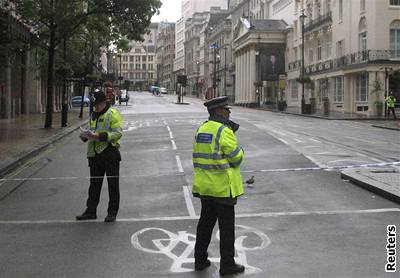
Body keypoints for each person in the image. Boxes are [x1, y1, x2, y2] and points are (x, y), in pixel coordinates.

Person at [192, 96, 245, 276]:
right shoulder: (224, 131)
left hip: (206, 188)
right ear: (219, 111)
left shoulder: (202, 128)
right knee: (226, 228)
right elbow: (236, 158)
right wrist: (241, 150)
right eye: (226, 109)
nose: (229, 112)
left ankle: (199, 260)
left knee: (205, 225)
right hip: (223, 189)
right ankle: (227, 264)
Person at [76, 90, 123, 222]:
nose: (94, 107)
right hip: (94, 155)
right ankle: (91, 211)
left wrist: (100, 136)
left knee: (112, 184)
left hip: (109, 153)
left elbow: (118, 133)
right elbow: (92, 131)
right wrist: (85, 136)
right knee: (94, 184)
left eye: (96, 104)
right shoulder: (94, 115)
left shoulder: (113, 114)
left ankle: (112, 212)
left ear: (102, 102)